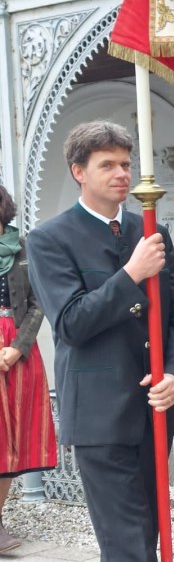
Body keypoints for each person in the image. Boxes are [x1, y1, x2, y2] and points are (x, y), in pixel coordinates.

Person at [27, 121, 174, 562]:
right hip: (100, 414)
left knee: (146, 536)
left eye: (125, 163)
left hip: (154, 411)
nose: (123, 173)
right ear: (78, 171)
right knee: (126, 543)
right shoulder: (48, 240)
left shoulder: (152, 231)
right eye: (108, 165)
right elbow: (71, 322)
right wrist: (131, 275)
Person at [0, 185, 56, 553]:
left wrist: (16, 349)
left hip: (16, 350)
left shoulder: (21, 248)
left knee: (11, 444)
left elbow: (39, 303)